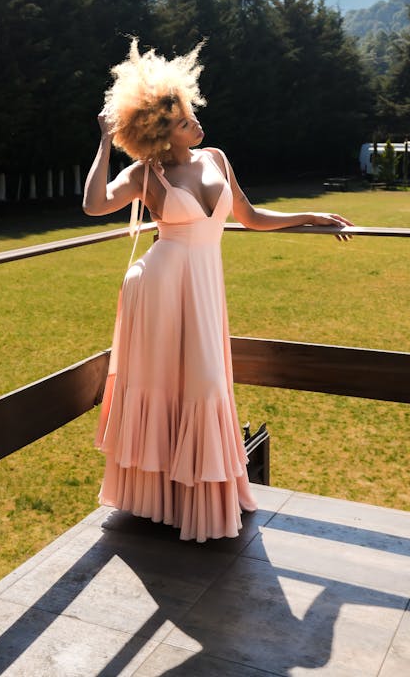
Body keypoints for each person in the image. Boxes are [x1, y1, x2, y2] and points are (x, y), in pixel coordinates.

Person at [83, 39, 352, 542]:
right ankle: (160, 501)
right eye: (185, 120)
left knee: (205, 385)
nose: (196, 123)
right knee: (170, 387)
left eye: (191, 114)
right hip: (160, 288)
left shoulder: (216, 158)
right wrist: (103, 141)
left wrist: (309, 217)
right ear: (161, 131)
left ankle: (198, 499)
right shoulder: (148, 174)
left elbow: (249, 217)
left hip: (204, 286)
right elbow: (94, 205)